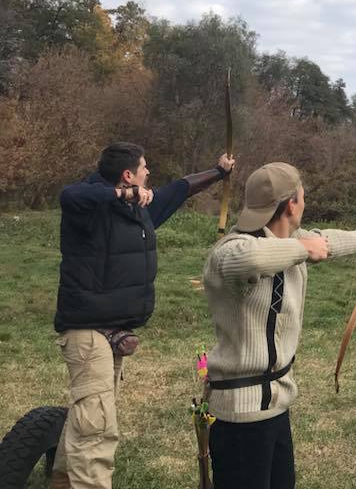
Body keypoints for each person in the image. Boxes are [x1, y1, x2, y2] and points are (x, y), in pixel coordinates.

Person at [51, 142, 235, 489]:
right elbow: (69, 196)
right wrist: (122, 195)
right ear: (127, 175)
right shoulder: (89, 204)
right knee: (97, 428)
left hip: (114, 330)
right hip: (87, 330)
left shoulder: (141, 211)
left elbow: (180, 189)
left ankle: (61, 480)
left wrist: (218, 172)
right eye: (144, 167)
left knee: (91, 415)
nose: (148, 172)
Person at [202, 161, 356, 488]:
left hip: (276, 407)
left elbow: (326, 240)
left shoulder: (292, 242)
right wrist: (303, 247)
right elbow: (249, 259)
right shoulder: (229, 251)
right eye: (303, 196)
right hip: (239, 416)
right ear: (292, 204)